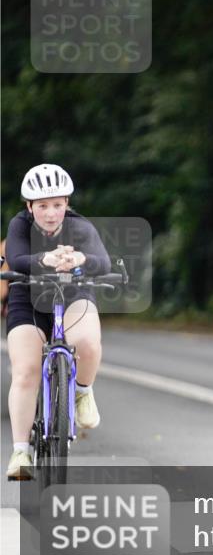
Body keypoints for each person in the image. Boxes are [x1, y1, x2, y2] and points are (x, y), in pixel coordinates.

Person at [5, 164, 111, 480]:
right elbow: (17, 258)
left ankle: (82, 392)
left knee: (89, 344)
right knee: (25, 371)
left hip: (74, 295)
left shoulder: (80, 226)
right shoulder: (19, 225)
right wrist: (43, 260)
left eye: (57, 204)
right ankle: (21, 450)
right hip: (28, 297)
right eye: (42, 206)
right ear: (29, 207)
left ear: (66, 203)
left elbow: (102, 261)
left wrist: (81, 259)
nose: (50, 213)